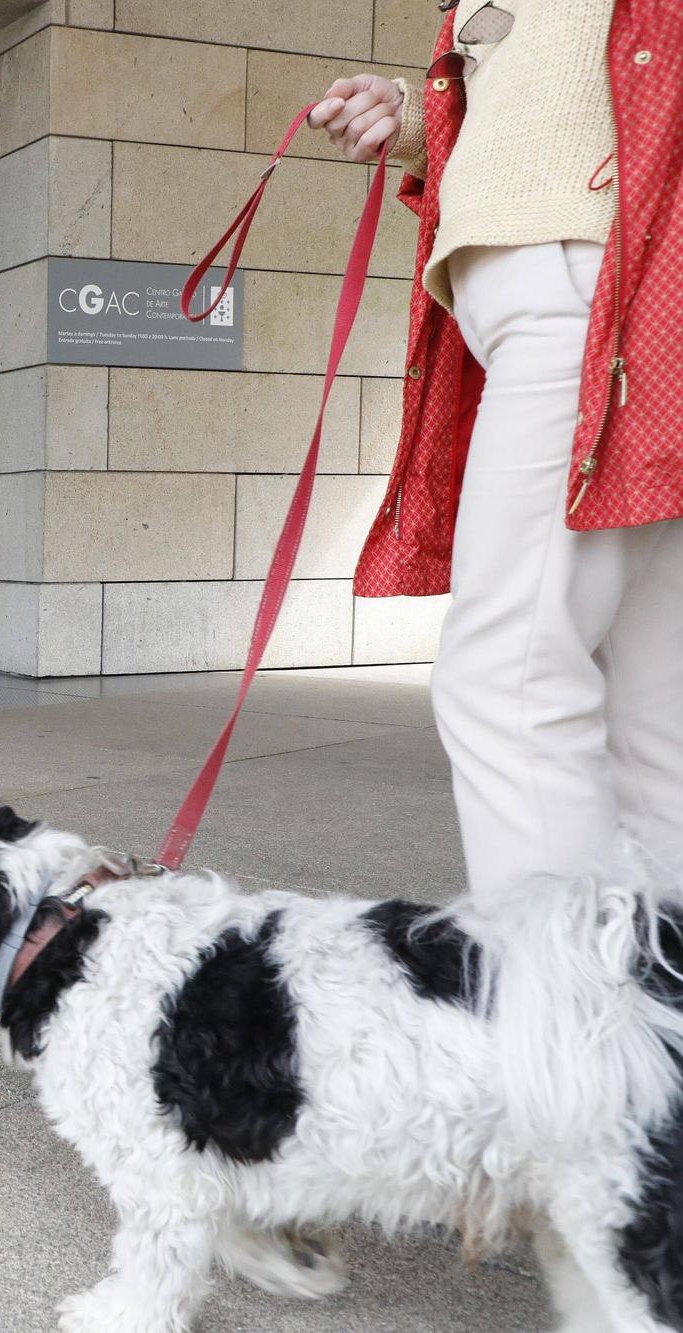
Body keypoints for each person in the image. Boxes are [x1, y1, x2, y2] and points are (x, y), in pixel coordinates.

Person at [315, 0, 683, 901]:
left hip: (589, 299)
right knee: (652, 703)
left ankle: (566, 1025)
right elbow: (553, 94)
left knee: (505, 680)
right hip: (600, 301)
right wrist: (414, 119)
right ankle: (655, 1016)